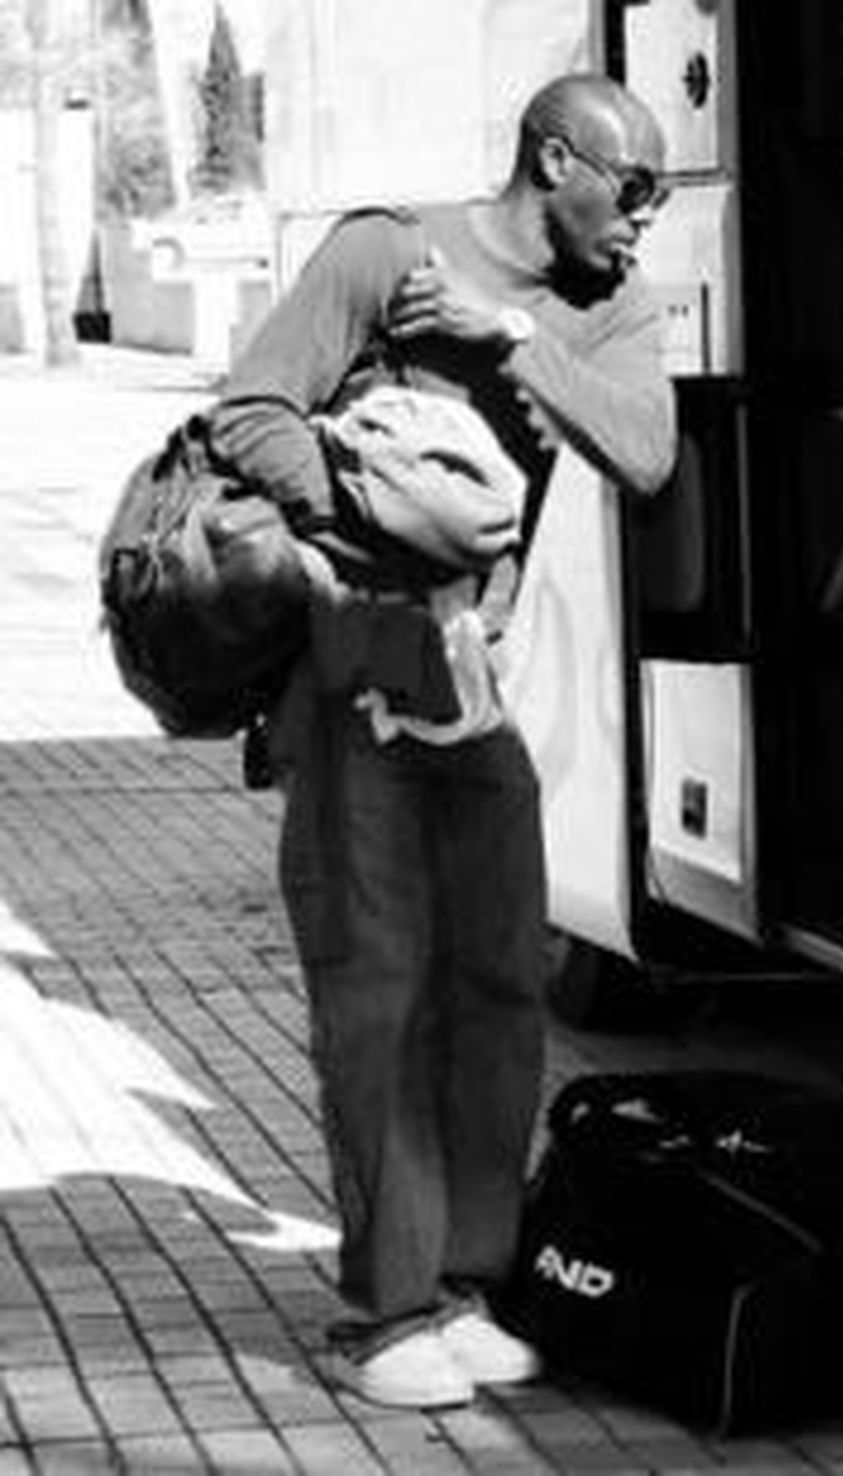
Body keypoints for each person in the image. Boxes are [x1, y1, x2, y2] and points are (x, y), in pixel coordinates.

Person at [209, 73, 676, 1409]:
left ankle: (466, 1283)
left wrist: (507, 334)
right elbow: (247, 414)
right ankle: (386, 1314)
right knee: (376, 993)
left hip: (475, 687)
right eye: (631, 188)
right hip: (355, 664)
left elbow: (647, 456)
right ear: (555, 158)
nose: (647, 219)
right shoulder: (381, 251)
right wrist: (367, 519)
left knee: (497, 980)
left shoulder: (605, 304)